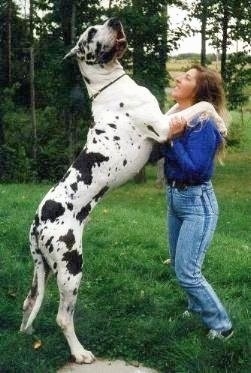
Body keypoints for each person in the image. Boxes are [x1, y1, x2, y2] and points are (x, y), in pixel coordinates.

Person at [162, 65, 233, 340]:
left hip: (196, 203)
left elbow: (196, 170)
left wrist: (174, 141)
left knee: (187, 271)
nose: (179, 79)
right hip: (175, 198)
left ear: (199, 91)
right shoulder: (180, 117)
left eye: (187, 78)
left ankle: (222, 325)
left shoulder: (203, 124)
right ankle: (195, 307)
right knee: (183, 263)